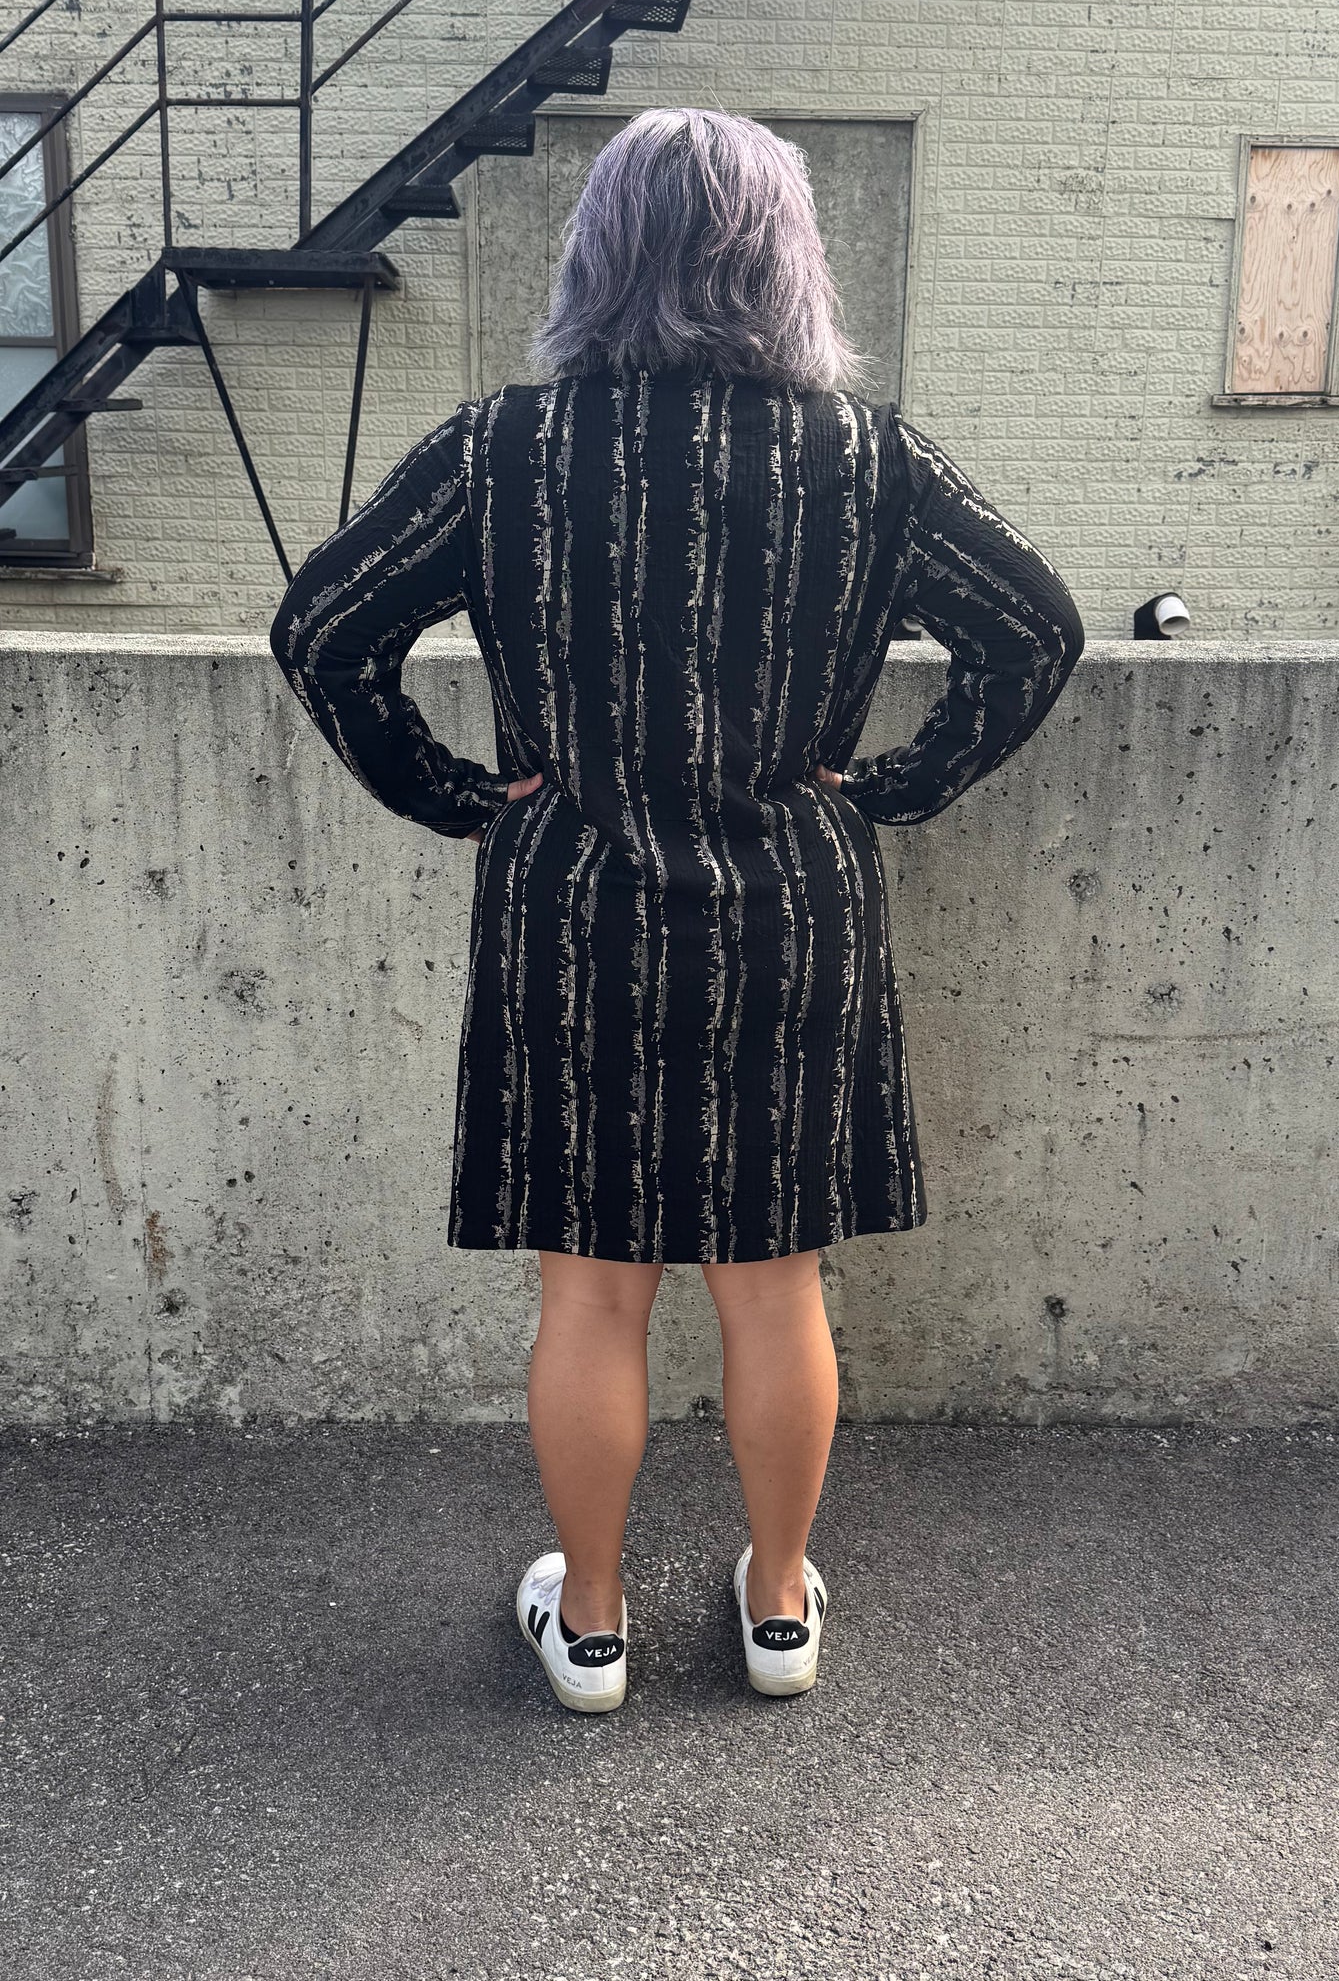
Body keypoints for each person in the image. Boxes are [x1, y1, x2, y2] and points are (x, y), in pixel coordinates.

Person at [269, 107, 1085, 1714]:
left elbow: (322, 630)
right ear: (787, 259)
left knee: (591, 1283)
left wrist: (453, 793)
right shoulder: (863, 457)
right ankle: (776, 1608)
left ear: (597, 255)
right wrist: (893, 784)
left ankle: (588, 1625)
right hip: (791, 908)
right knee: (774, 1280)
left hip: (571, 905)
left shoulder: (503, 449)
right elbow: (1034, 632)